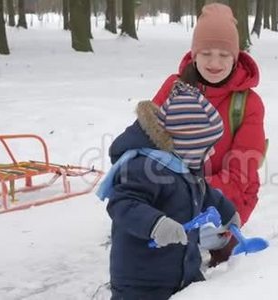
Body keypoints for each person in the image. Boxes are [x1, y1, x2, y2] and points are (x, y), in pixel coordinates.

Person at [99, 81, 241, 299]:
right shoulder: (144, 167)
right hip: (142, 281)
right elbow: (123, 203)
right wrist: (155, 223)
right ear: (187, 144)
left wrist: (227, 212)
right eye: (206, 146)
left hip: (185, 272)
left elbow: (203, 192)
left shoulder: (186, 166)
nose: (212, 152)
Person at [151, 3, 266, 266]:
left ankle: (220, 248)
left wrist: (191, 199)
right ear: (194, 55)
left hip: (227, 198)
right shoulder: (173, 88)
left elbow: (241, 174)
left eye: (224, 55)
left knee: (223, 267)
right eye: (206, 53)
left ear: (236, 57)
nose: (215, 63)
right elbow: (148, 143)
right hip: (175, 195)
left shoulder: (248, 104)